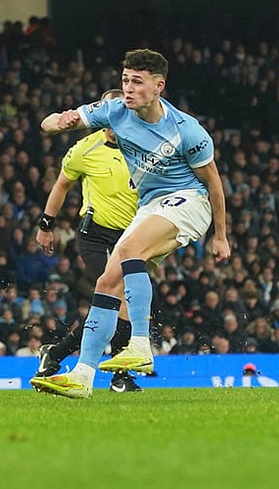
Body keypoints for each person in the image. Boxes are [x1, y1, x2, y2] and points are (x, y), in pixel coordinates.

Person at [31, 49, 230, 399]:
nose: (128, 88)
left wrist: (221, 236)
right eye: (125, 80)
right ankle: (82, 375)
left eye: (137, 82)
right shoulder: (113, 112)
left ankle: (140, 344)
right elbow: (54, 122)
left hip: (189, 201)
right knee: (108, 281)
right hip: (151, 205)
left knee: (128, 250)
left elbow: (213, 183)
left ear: (158, 87)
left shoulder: (187, 131)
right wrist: (56, 121)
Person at [34, 88, 142, 393]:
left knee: (122, 307)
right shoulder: (84, 149)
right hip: (97, 236)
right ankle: (120, 374)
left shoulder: (141, 145)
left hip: (134, 235)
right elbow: (61, 186)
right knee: (120, 301)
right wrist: (46, 225)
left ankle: (54, 354)